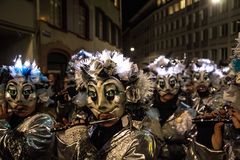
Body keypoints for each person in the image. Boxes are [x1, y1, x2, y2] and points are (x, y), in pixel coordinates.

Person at [56, 50, 159, 159]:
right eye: (93, 94)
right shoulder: (89, 129)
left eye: (110, 93)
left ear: (129, 95)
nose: (101, 105)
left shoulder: (141, 141)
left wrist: (81, 143)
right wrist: (66, 141)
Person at [0, 55, 56, 159]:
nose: (19, 99)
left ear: (39, 95)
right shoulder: (10, 118)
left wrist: (1, 124)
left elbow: (20, 152)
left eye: (26, 92)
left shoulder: (44, 120)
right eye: (12, 92)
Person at [147, 55, 196, 160]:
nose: (168, 88)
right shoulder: (147, 111)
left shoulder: (188, 111)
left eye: (172, 83)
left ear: (179, 83)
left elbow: (194, 146)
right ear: (155, 85)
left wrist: (170, 150)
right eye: (162, 83)